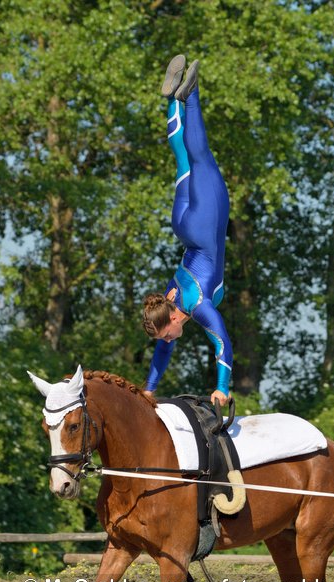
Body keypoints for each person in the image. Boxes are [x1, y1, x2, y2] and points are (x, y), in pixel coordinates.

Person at [143, 55, 232, 407]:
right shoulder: (169, 296)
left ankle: (190, 93)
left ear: (174, 320)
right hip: (181, 226)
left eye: (167, 334)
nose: (169, 340)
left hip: (204, 223)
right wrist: (148, 388)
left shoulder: (196, 306)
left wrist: (222, 387)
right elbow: (163, 350)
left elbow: (222, 341)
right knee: (181, 156)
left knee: (199, 155)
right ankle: (171, 98)